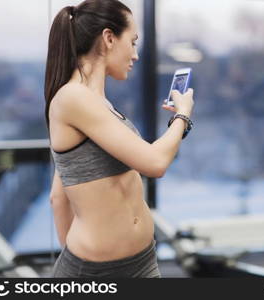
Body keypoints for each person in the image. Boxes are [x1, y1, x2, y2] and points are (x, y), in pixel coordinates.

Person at [46, 0, 194, 278]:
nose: (135, 55)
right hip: (97, 271)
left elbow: (59, 194)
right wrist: (182, 115)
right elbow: (155, 163)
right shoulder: (73, 98)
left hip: (142, 262)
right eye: (133, 42)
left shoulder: (96, 102)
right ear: (109, 38)